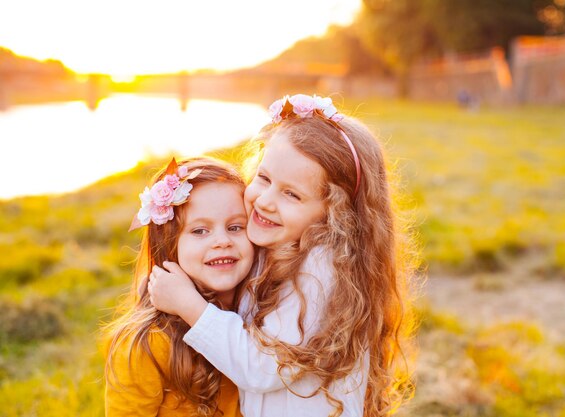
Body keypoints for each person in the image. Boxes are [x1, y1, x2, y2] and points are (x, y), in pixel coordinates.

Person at [148, 94, 415, 417]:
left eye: (291, 194)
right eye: (264, 178)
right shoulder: (280, 242)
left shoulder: (322, 271)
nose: (265, 201)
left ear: (335, 214)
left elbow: (260, 366)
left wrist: (189, 305)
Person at [104, 157, 254, 417]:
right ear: (169, 243)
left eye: (235, 227)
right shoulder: (149, 342)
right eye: (199, 231)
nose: (222, 241)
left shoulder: (263, 310)